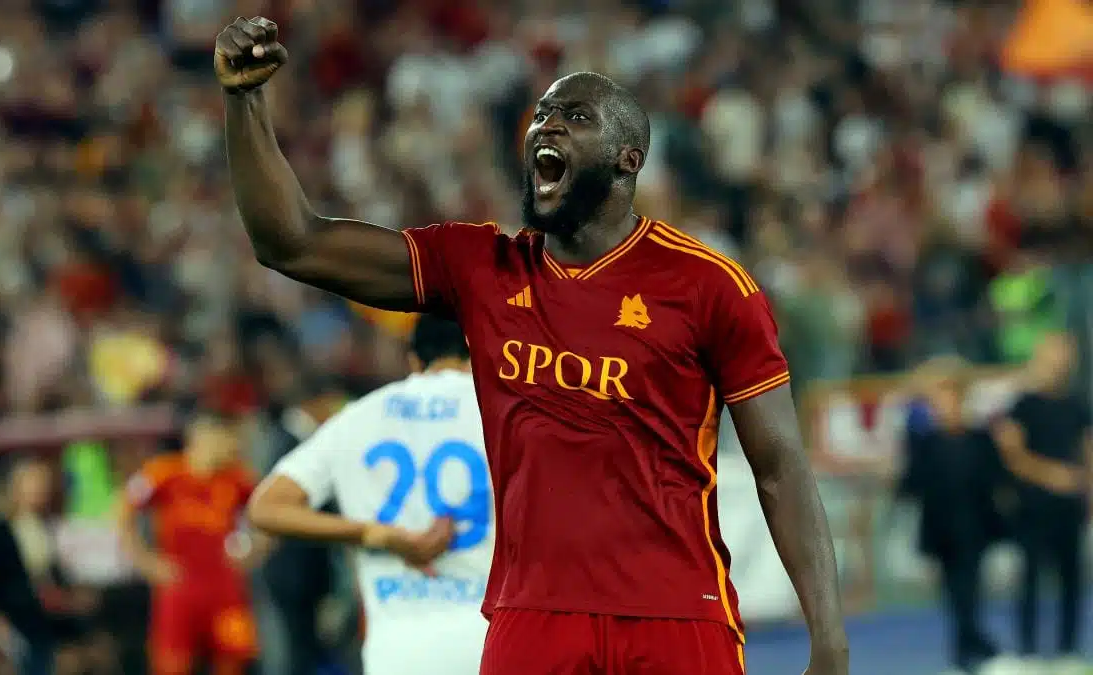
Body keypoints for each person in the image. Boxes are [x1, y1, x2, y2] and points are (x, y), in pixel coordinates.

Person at [215, 17, 848, 675]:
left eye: (574, 116)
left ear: (627, 159)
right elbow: (292, 243)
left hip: (677, 614)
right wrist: (243, 101)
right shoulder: (481, 267)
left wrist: (829, 637)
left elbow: (780, 465)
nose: (546, 126)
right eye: (541, 115)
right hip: (533, 617)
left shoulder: (709, 285)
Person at [249, 315, 486, 675]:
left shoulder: (358, 416)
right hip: (489, 641)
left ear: (413, 360)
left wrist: (373, 533)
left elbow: (265, 507)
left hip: (395, 652)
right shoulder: (502, 413)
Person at [117, 410, 269, 675]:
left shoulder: (238, 478)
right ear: (202, 439)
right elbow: (123, 511)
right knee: (173, 666)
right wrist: (146, 562)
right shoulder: (163, 472)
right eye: (226, 438)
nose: (233, 445)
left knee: (233, 663)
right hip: (179, 586)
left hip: (224, 587)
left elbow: (270, 512)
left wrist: (256, 550)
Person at [992, 333, 1090, 673]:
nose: (1060, 363)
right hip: (1033, 508)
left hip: (1069, 508)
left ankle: (1067, 651)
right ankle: (1028, 652)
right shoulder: (1023, 405)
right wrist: (1053, 476)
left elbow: (1087, 449)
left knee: (1072, 580)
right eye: (1054, 355)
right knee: (1030, 580)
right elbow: (1013, 456)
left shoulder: (1077, 405)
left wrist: (1085, 486)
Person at [899, 364, 1003, 674]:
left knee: (971, 588)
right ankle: (968, 645)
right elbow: (910, 485)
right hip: (941, 530)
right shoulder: (925, 443)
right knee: (953, 591)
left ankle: (972, 643)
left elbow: (995, 478)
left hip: (975, 527)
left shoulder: (980, 439)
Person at [0, 457, 99, 675]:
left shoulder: (46, 527)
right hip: (19, 618)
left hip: (51, 616)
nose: (40, 489)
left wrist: (71, 596)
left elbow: (53, 573)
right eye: (34, 482)